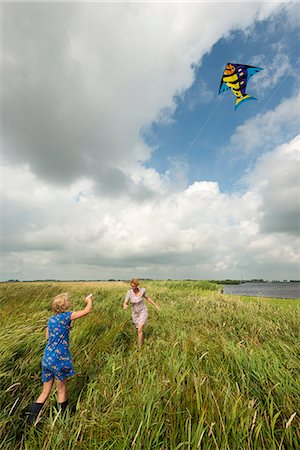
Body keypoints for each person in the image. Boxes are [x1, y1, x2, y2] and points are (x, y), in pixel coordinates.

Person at [26, 292, 93, 424]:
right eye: (68, 301)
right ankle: (63, 420)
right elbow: (87, 311)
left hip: (47, 359)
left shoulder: (51, 320)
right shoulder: (67, 316)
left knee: (45, 392)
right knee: (61, 391)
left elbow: (47, 337)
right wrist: (88, 300)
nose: (70, 302)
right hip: (59, 359)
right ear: (64, 306)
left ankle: (30, 419)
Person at [123, 278, 160, 351]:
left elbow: (148, 298)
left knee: (140, 328)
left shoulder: (142, 290)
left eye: (134, 286)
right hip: (135, 313)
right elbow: (125, 302)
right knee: (138, 329)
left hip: (143, 311)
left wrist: (156, 305)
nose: (133, 288)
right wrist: (125, 305)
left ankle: (140, 349)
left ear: (137, 285)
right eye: (132, 286)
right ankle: (141, 340)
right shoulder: (129, 293)